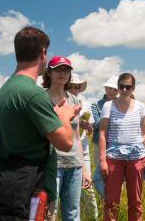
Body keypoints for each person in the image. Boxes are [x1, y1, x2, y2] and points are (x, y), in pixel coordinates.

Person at [0, 26, 78, 220]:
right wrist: (64, 117)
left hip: (3, 186)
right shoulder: (33, 94)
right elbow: (66, 143)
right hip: (29, 190)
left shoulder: (6, 89)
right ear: (43, 53)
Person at [42, 56, 92, 221]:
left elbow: (77, 135)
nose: (62, 73)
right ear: (49, 72)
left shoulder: (74, 100)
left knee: (72, 213)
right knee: (49, 212)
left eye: (66, 70)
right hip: (51, 165)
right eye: (58, 69)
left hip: (74, 165)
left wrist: (84, 169)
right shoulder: (41, 98)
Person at [99, 73, 145, 221]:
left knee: (135, 200)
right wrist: (102, 160)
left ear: (133, 88)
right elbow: (102, 133)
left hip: (136, 157)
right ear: (117, 87)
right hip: (114, 156)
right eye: (121, 86)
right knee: (111, 201)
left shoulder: (140, 106)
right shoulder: (108, 106)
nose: (124, 89)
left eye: (127, 87)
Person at [67, 73, 99, 220]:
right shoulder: (62, 103)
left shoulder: (85, 105)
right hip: (65, 148)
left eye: (76, 87)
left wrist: (87, 127)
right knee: (69, 187)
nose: (74, 89)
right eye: (71, 86)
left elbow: (90, 132)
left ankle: (92, 216)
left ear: (80, 88)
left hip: (83, 149)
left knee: (87, 186)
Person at [90, 75, 118, 197]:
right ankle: (105, 199)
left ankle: (113, 198)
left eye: (114, 89)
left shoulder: (120, 103)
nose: (111, 91)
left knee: (116, 174)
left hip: (115, 143)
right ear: (105, 88)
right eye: (109, 88)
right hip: (99, 143)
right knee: (100, 173)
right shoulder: (96, 105)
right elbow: (96, 124)